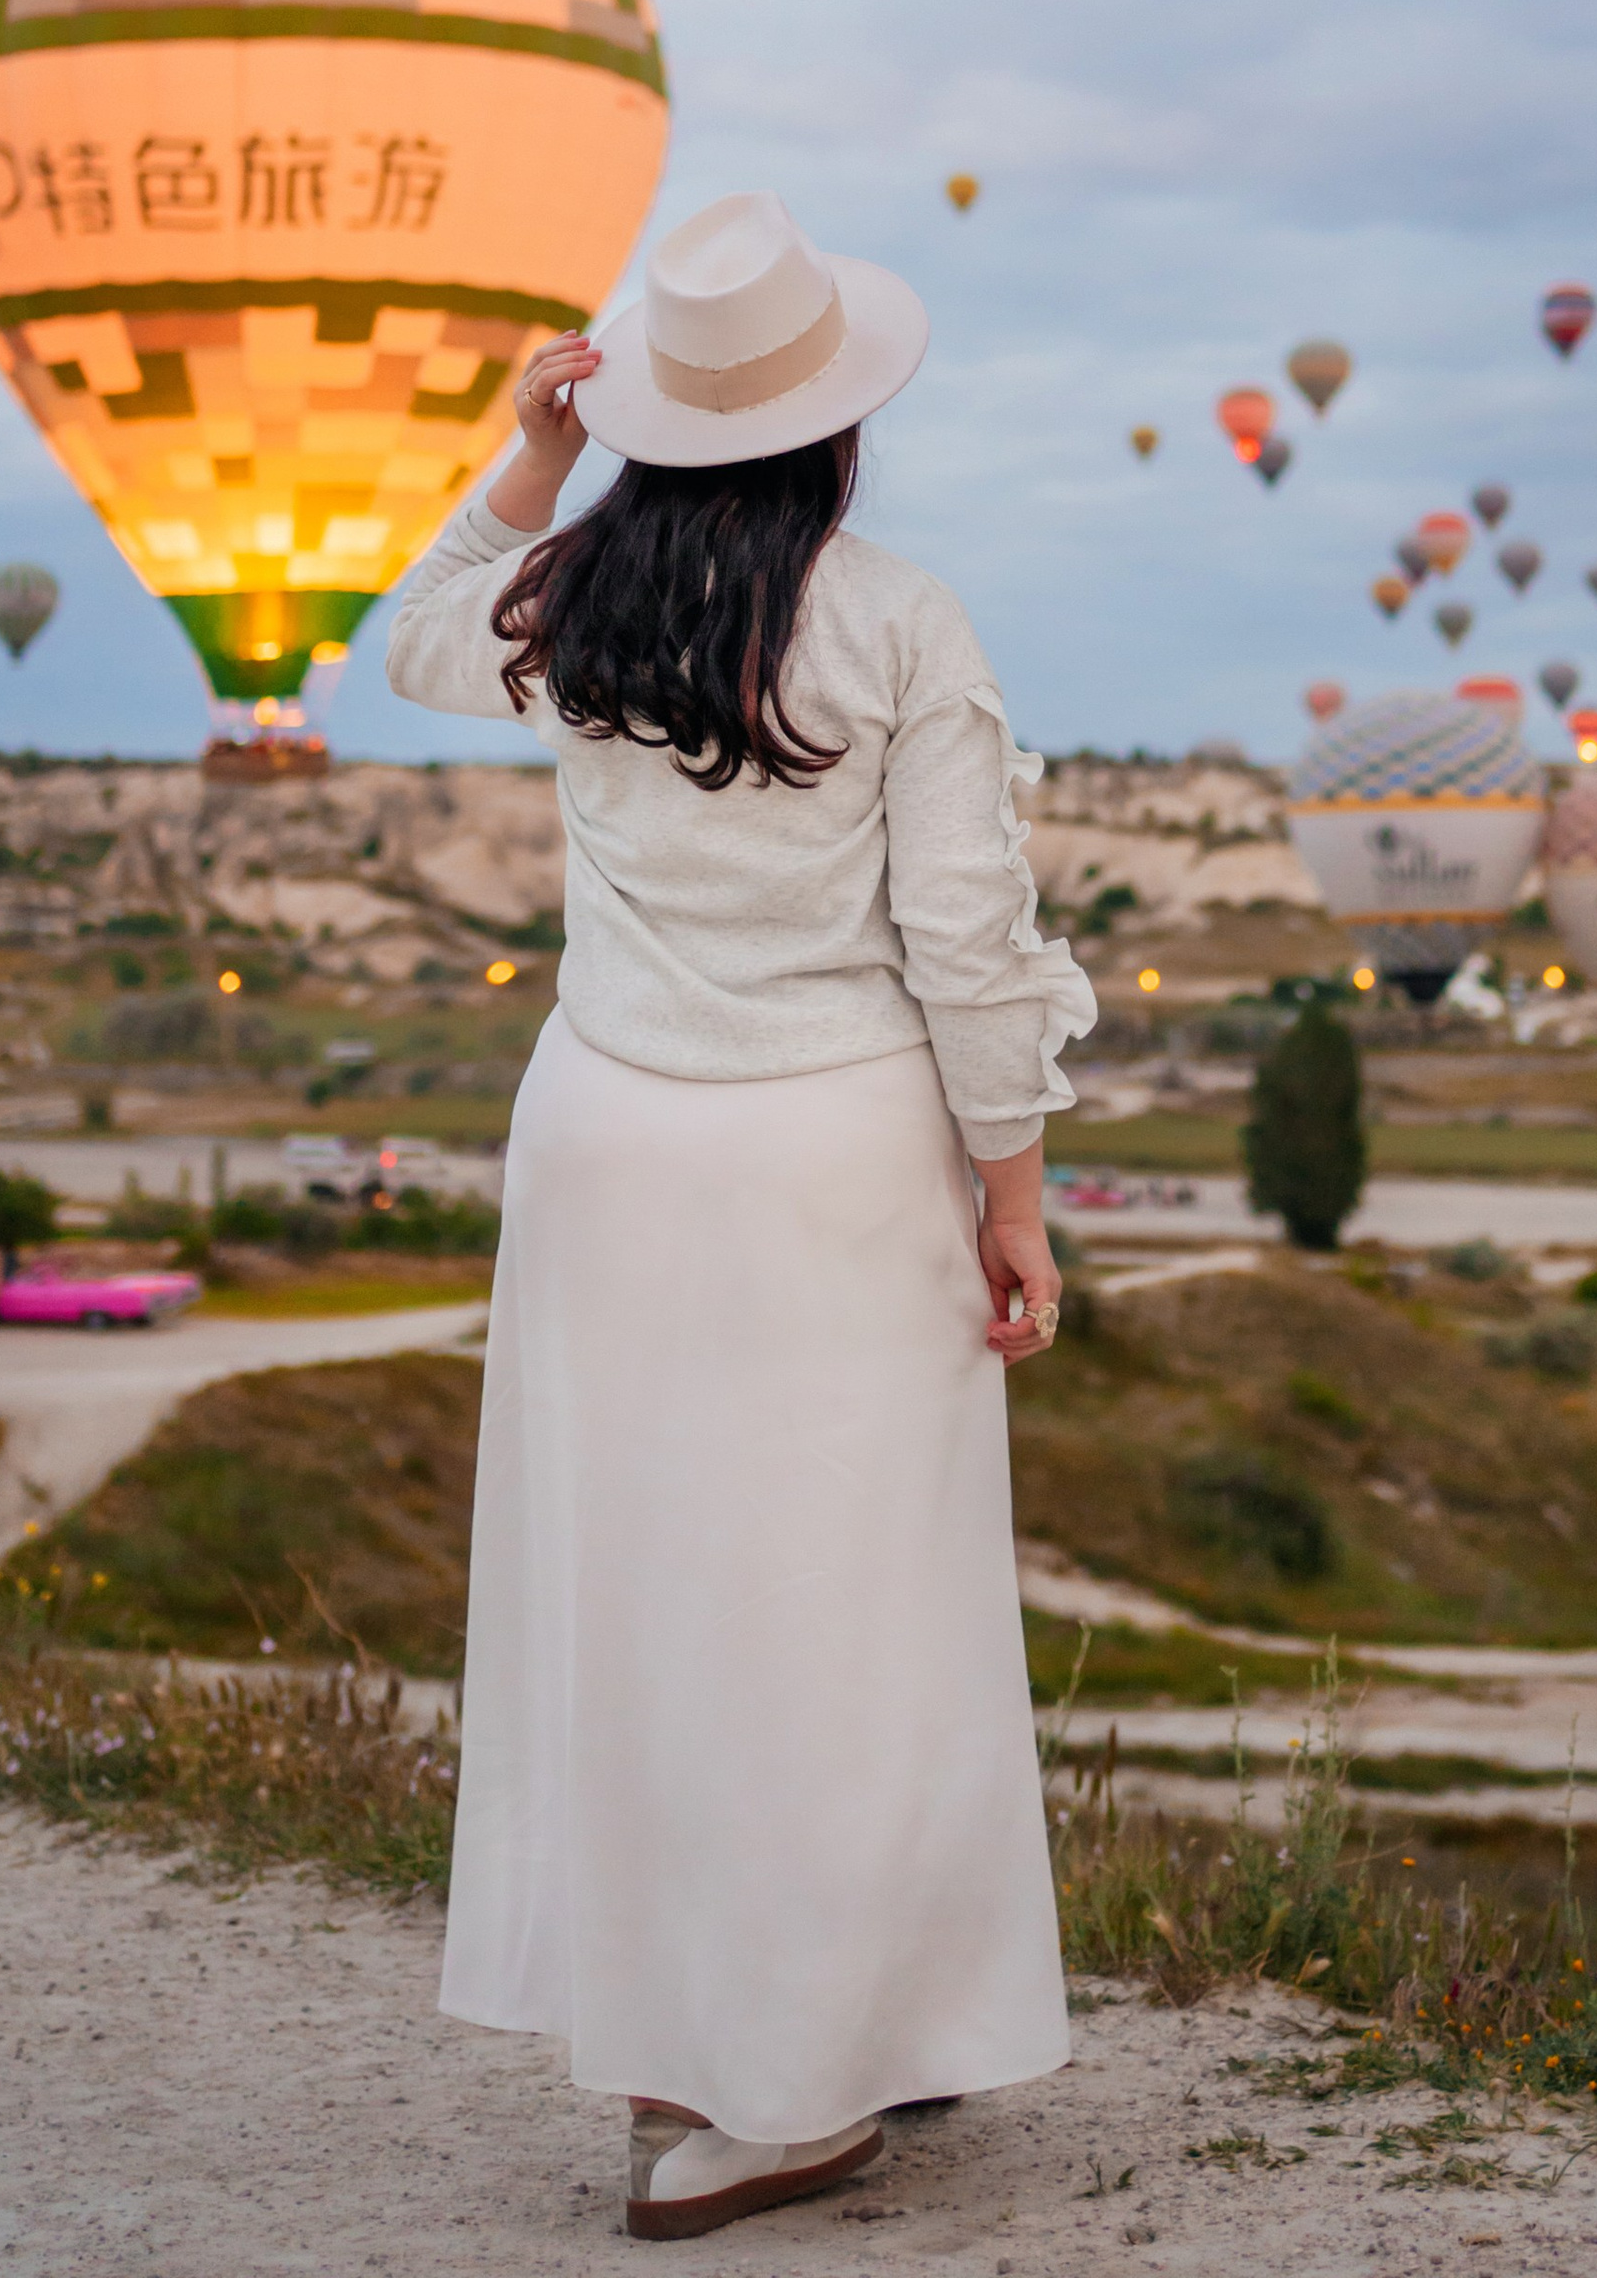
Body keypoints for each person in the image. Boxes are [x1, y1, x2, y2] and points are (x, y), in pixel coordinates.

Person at [381, 189, 1093, 2241]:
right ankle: (810, 2081)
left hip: (609, 1134)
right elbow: (965, 939)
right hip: (831, 1151)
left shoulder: (572, 607)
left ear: (653, 421)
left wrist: (529, 446)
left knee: (657, 1603)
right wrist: (1014, 1194)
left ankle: (725, 2038)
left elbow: (414, 630)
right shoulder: (894, 617)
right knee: (854, 1610)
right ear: (835, 425)